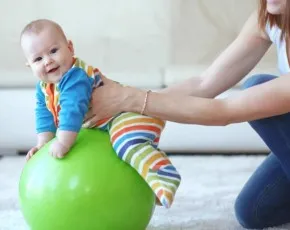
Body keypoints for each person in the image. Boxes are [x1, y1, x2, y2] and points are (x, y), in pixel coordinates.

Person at [83, 0, 290, 228]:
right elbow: (204, 84)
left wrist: (129, 97)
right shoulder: (269, 18)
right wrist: (122, 105)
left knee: (255, 85)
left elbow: (225, 111)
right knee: (253, 211)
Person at [20, 19, 181, 208]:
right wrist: (43, 143)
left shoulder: (75, 77)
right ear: (30, 66)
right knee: (123, 152)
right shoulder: (44, 87)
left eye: (53, 51)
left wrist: (63, 141)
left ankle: (164, 175)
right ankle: (145, 183)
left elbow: (72, 111)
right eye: (38, 59)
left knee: (126, 144)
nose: (48, 61)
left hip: (128, 114)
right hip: (106, 123)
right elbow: (44, 114)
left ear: (70, 48)